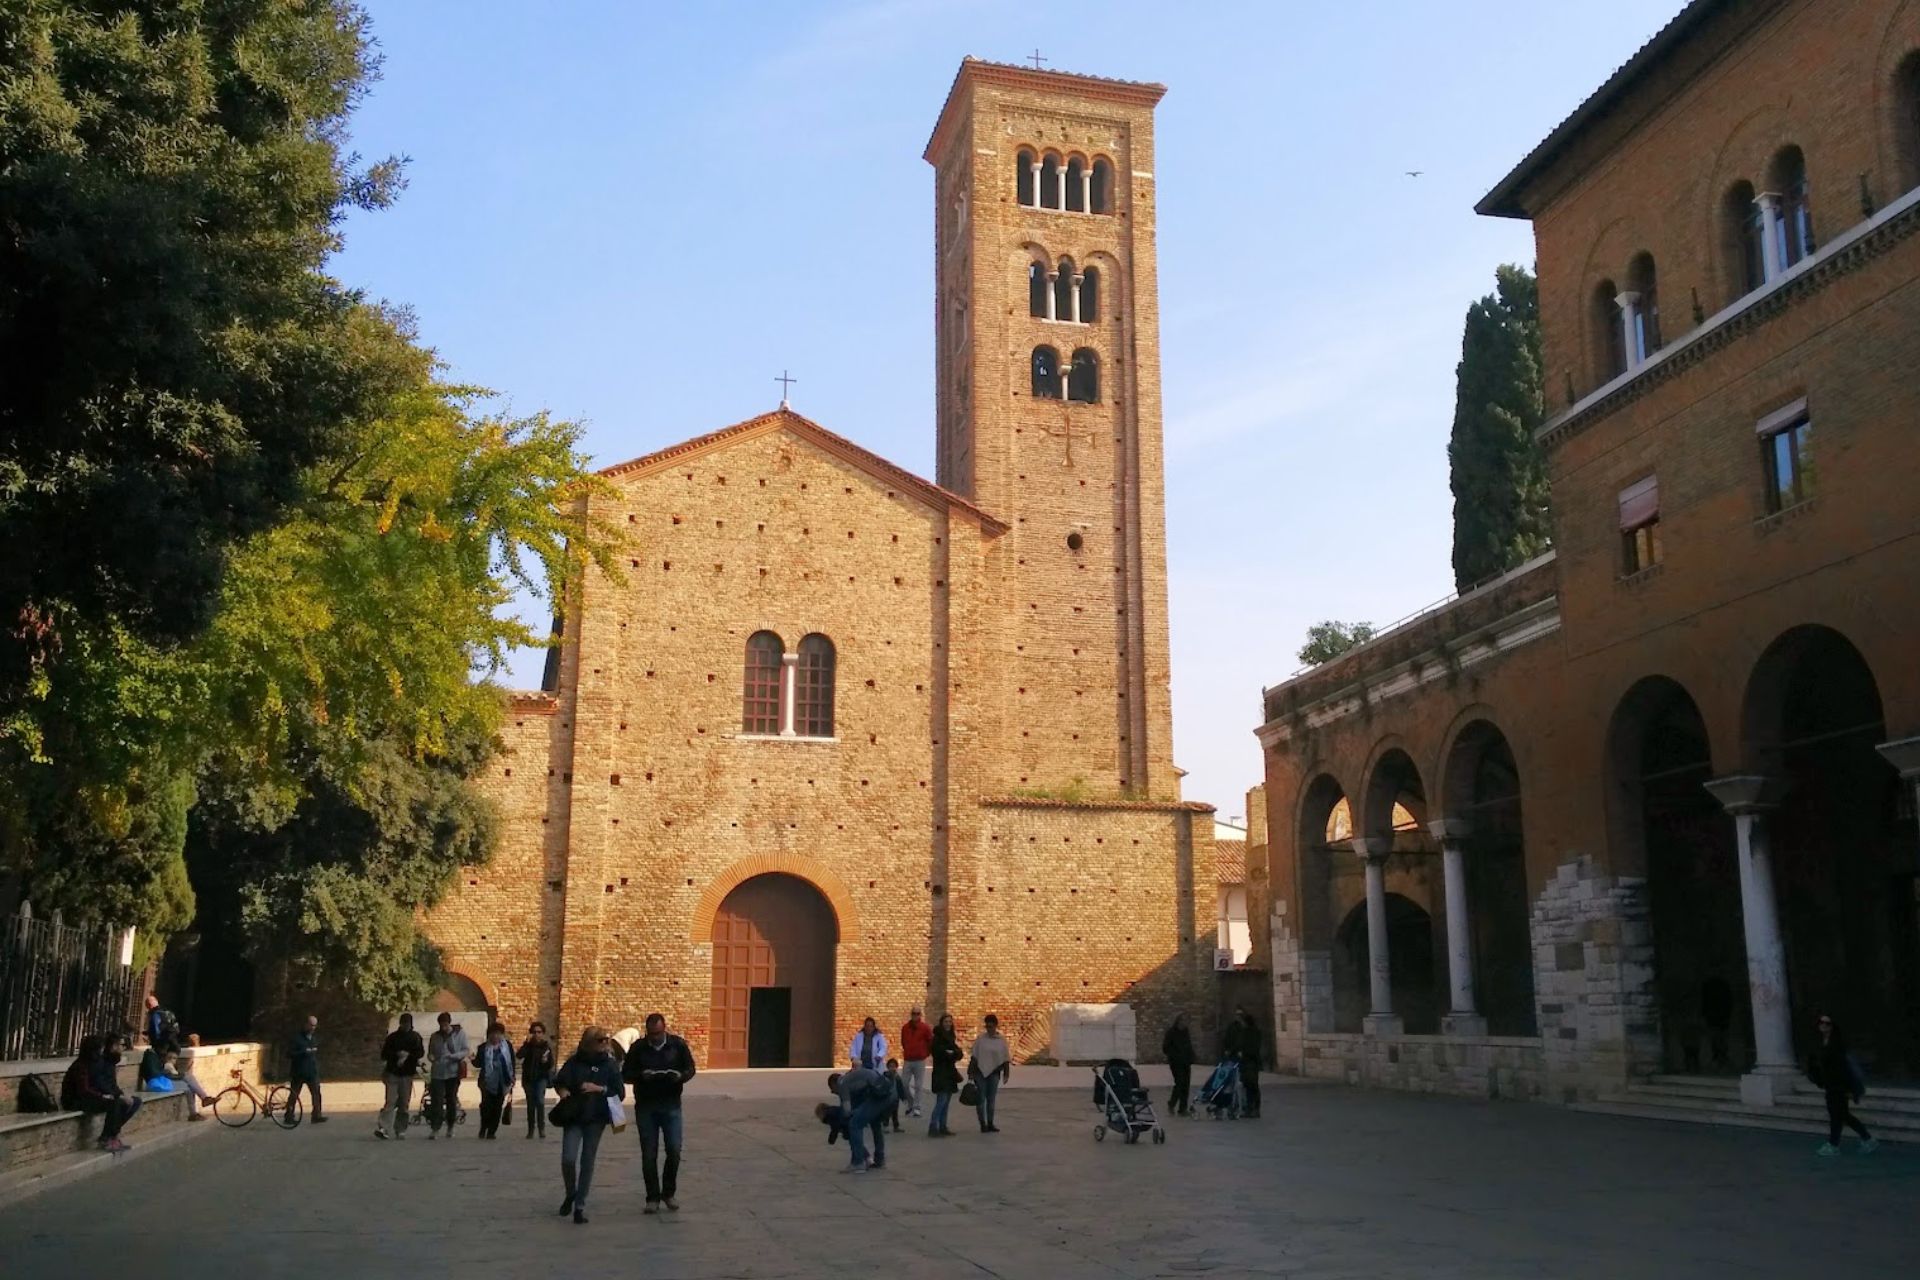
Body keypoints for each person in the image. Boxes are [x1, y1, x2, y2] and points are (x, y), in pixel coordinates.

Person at [622, 1012, 697, 1213]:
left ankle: (669, 1193)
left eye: (658, 1033)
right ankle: (652, 1197)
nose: (655, 1038)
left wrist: (680, 1076)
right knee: (649, 1153)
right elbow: (626, 1074)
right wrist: (641, 1076)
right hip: (646, 1105)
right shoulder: (638, 1048)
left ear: (664, 1029)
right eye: (651, 1034)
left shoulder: (677, 1045)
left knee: (674, 1150)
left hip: (671, 1104)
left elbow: (690, 1068)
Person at [554, 1025, 624, 1224]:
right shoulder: (575, 1062)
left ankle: (580, 1205)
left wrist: (599, 1088)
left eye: (606, 1040)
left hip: (596, 1116)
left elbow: (619, 1092)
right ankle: (571, 1193)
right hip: (575, 1115)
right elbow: (560, 1081)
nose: (604, 1044)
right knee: (568, 1158)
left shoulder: (610, 1065)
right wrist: (563, 1092)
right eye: (600, 1040)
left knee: (587, 1160)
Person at [1807, 1013, 1877, 1157]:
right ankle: (1864, 1139)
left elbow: (1843, 1068)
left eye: (1827, 1023)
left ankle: (1835, 1144)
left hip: (1839, 1085)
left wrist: (1849, 1088)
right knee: (1841, 1115)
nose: (1823, 1025)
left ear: (1832, 1026)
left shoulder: (1837, 1044)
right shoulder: (1820, 1043)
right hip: (1829, 1084)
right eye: (1821, 1022)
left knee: (1838, 1115)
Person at [65, 1034, 141, 1152]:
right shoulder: (82, 1066)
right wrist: (105, 1096)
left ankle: (111, 1135)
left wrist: (118, 1094)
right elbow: (84, 1089)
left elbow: (110, 1084)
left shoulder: (95, 1063)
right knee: (114, 1103)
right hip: (76, 1101)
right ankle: (107, 1137)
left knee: (127, 1102)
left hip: (88, 1097)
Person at [837, 1060, 893, 1172]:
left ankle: (858, 1162)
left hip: (879, 1095)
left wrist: (846, 1117)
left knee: (854, 1124)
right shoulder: (854, 1077)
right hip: (888, 1093)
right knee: (875, 1123)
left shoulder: (842, 1084)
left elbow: (847, 1110)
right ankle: (880, 1159)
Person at [377, 1013, 425, 1140]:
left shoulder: (415, 1037)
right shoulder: (392, 1038)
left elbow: (420, 1053)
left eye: (407, 1024)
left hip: (407, 1074)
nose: (405, 1026)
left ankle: (400, 1129)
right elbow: (384, 1054)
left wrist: (407, 1055)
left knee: (404, 1103)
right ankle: (383, 1127)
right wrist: (397, 1055)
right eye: (404, 1023)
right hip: (393, 1073)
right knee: (390, 1102)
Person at [426, 1012, 470, 1139]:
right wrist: (431, 1057)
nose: (443, 1027)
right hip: (438, 1072)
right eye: (441, 1025)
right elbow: (431, 1052)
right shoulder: (435, 1036)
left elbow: (466, 1050)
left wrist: (454, 1056)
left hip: (453, 1071)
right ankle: (435, 1127)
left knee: (451, 1099)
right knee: (437, 1100)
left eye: (445, 1024)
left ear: (449, 1023)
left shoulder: (459, 1034)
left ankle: (450, 1126)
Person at [968, 1013, 1011, 1133]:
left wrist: (1006, 1073)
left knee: (991, 1100)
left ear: (996, 1026)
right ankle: (982, 1124)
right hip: (980, 1073)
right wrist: (970, 1073)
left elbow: (1005, 1058)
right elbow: (975, 1057)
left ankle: (991, 1123)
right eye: (987, 1026)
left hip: (994, 1073)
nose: (989, 1028)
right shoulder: (981, 1040)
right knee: (980, 1099)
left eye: (991, 1026)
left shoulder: (1001, 1041)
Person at [474, 1021, 517, 1139]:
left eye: (498, 1034)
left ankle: (492, 1131)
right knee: (486, 1106)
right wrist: (472, 1059)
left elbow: (511, 1062)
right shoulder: (483, 1048)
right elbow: (478, 1063)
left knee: (497, 1107)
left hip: (502, 1081)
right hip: (486, 1082)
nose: (495, 1036)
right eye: (493, 1034)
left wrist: (513, 1077)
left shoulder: (507, 1046)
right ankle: (484, 1127)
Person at [518, 1021, 556, 1138]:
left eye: (539, 1032)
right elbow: (519, 1055)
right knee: (530, 1104)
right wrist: (526, 1043)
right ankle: (531, 1129)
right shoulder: (528, 1045)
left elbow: (551, 1063)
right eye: (534, 1032)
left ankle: (541, 1128)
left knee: (539, 1102)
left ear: (542, 1033)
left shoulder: (545, 1047)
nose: (536, 1034)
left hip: (541, 1078)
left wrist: (545, 1062)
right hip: (528, 1078)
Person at [927, 1012, 963, 1137]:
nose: (948, 1024)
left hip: (949, 1073)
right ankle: (933, 1126)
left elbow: (958, 1052)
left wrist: (952, 1053)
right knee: (941, 1101)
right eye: (946, 1022)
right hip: (941, 1073)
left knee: (946, 1101)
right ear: (942, 1023)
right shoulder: (937, 1037)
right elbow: (938, 1053)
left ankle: (942, 1126)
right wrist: (951, 1053)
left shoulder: (951, 1036)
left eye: (950, 1022)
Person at [287, 1014, 326, 1124]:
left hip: (311, 1071)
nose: (313, 1028)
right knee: (294, 1094)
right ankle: (289, 1115)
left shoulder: (313, 1038)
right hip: (298, 1071)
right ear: (306, 1024)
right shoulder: (296, 1038)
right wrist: (303, 1052)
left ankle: (316, 1115)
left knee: (316, 1093)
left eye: (315, 1026)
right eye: (311, 1025)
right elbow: (289, 1053)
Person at [898, 1006, 933, 1118]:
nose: (915, 1016)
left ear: (920, 1015)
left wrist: (925, 1053)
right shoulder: (905, 1028)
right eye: (914, 1013)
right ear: (911, 1014)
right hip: (908, 1059)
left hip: (919, 1060)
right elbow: (903, 1041)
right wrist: (908, 1050)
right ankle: (911, 1102)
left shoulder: (925, 1028)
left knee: (918, 1085)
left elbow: (930, 1041)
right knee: (904, 1084)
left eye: (918, 1014)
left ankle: (917, 1107)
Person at [1232, 1007, 1263, 1119]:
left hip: (1250, 1062)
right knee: (1248, 1086)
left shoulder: (1251, 1033)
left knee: (1252, 1085)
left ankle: (1253, 1108)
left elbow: (1252, 1048)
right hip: (1246, 1063)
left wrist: (1242, 1053)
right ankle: (1250, 1108)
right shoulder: (1246, 1032)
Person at [1162, 1013, 1196, 1117]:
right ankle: (1172, 1103)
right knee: (1179, 1083)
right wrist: (1174, 1055)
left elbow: (1188, 1045)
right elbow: (1165, 1047)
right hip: (1176, 1062)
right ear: (1178, 1021)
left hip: (1186, 1061)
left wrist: (1192, 1056)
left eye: (1186, 1022)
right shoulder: (1171, 1032)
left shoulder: (1185, 1032)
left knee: (1186, 1084)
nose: (1184, 1024)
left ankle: (1182, 1108)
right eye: (1182, 1021)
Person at [817, 1074, 850, 1144]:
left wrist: (832, 1139)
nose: (832, 1092)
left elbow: (835, 1126)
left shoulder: (829, 1115)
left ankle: (862, 1153)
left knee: (854, 1138)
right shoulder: (833, 1110)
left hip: (849, 1119)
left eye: (832, 1088)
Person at [882, 1058, 906, 1132]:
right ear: (888, 1067)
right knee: (886, 1113)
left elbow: (900, 1088)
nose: (892, 1068)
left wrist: (903, 1097)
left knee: (895, 1113)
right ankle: (885, 1126)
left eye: (894, 1066)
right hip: (887, 1099)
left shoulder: (897, 1078)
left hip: (895, 1098)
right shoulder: (885, 1077)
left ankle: (896, 1127)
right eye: (890, 1066)